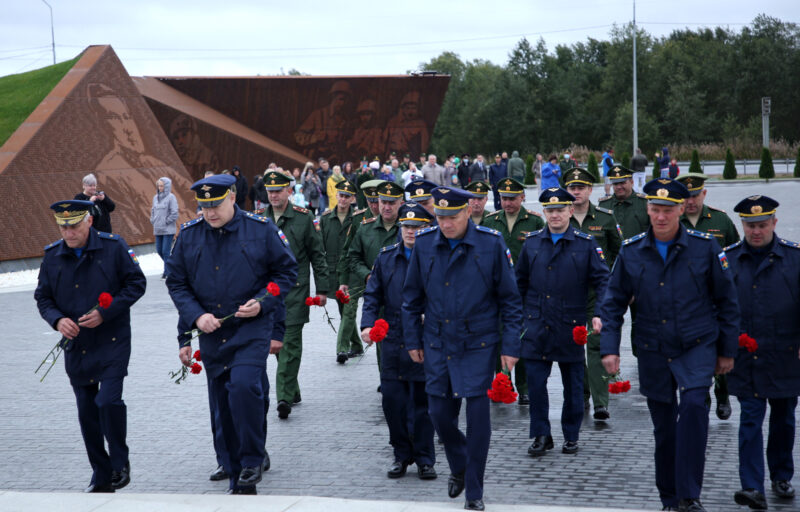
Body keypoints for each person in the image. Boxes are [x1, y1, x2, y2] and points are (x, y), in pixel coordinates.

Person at [599, 178, 739, 512]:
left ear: (680, 209)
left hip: (696, 343)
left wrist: (727, 350)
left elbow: (728, 300)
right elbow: (612, 302)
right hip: (653, 347)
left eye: (667, 210)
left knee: (693, 408)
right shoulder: (632, 251)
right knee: (664, 430)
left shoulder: (705, 248)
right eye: (655, 210)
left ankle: (689, 495)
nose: (660, 217)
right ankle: (669, 498)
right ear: (647, 209)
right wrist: (610, 347)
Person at [166, 174, 297, 494]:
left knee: (244, 387)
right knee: (222, 399)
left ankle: (251, 459)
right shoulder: (190, 235)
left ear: (233, 199)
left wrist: (263, 303)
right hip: (213, 332)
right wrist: (196, 319)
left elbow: (286, 272)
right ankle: (230, 462)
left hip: (251, 329)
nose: (210, 213)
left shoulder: (260, 229)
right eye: (204, 206)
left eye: (216, 205)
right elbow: (177, 283)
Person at [402, 186, 523, 511]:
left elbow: (510, 300)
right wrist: (412, 339)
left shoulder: (490, 243)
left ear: (468, 211)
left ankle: (474, 490)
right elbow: (411, 298)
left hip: (478, 342)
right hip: (438, 340)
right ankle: (459, 463)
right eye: (440, 217)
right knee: (439, 413)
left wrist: (510, 345)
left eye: (452, 217)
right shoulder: (426, 244)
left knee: (478, 412)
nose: (445, 223)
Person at [35, 200, 146, 493]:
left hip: (112, 340)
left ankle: (120, 462)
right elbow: (43, 298)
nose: (68, 232)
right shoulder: (53, 256)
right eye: (63, 226)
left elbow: (136, 283)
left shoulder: (114, 247)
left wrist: (105, 312)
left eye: (73, 225)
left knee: (107, 401)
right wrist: (58, 321)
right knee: (87, 411)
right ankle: (101, 473)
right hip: (78, 344)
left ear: (89, 222)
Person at [516, 187, 609, 456]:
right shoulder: (532, 242)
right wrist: (519, 318)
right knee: (535, 384)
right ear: (544, 212)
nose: (555, 215)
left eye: (560, 210)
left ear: (571, 210)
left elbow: (603, 280)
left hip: (571, 325)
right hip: (537, 325)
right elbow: (518, 283)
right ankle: (541, 434)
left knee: (573, 385)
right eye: (550, 210)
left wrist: (599, 312)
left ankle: (571, 434)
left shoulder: (586, 243)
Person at [724, 195, 799, 510]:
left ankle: (781, 474)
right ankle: (752, 486)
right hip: (747, 357)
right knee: (751, 420)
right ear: (742, 225)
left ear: (774, 223)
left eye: (762, 225)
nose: (756, 231)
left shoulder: (794, 258)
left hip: (784, 353)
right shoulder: (726, 260)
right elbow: (718, 306)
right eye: (750, 225)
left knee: (783, 420)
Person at [361, 202, 437, 481]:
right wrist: (367, 324)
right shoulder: (386, 258)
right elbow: (372, 295)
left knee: (423, 403)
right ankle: (401, 455)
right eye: (407, 226)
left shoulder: (435, 256)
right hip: (393, 339)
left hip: (423, 338)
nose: (411, 232)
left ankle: (425, 458)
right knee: (392, 402)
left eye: (417, 227)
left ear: (427, 228)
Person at [260, 171, 329, 419]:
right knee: (279, 347)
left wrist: (321, 289)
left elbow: (317, 255)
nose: (274, 195)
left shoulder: (303, 218)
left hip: (295, 293)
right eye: (270, 191)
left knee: (288, 344)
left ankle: (284, 398)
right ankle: (293, 389)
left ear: (290, 191)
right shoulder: (259, 220)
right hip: (267, 296)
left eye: (279, 190)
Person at [676, 173, 741, 420]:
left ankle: (722, 394)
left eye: (695, 196)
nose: (691, 202)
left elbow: (736, 254)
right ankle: (699, 397)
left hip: (716, 297)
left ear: (704, 194)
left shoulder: (721, 221)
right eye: (687, 197)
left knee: (719, 345)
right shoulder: (674, 222)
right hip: (686, 300)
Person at [564, 168, 621, 421]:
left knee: (596, 344)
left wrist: (617, 286)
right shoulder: (558, 218)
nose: (576, 191)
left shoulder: (606, 218)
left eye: (581, 187)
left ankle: (601, 401)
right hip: (569, 292)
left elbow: (622, 254)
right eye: (572, 187)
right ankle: (584, 391)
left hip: (598, 292)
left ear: (590, 190)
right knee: (574, 344)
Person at [482, 177, 545, 404]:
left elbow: (542, 254)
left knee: (522, 337)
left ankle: (524, 387)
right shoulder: (490, 221)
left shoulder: (535, 222)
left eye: (512, 198)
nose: (507, 203)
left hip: (524, 290)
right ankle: (500, 383)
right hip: (495, 291)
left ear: (523, 197)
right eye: (504, 198)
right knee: (496, 337)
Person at [346, 181, 404, 380]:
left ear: (400, 203)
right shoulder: (365, 228)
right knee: (381, 337)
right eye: (383, 202)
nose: (386, 207)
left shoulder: (409, 228)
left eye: (392, 202)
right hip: (377, 294)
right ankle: (386, 377)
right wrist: (367, 275)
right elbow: (353, 257)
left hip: (403, 293)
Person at [334, 179, 383, 364]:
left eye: (376, 200)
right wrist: (343, 280)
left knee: (380, 319)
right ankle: (341, 349)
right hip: (357, 275)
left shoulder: (394, 218)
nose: (374, 205)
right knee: (348, 312)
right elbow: (348, 251)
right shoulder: (358, 219)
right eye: (370, 201)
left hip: (381, 278)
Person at [319, 180, 361, 363]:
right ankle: (357, 344)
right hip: (333, 270)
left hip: (352, 270)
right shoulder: (326, 218)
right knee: (343, 308)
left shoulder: (359, 218)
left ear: (352, 198)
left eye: (347, 196)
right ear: (336, 196)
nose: (343, 199)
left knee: (349, 308)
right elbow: (320, 246)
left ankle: (342, 348)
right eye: (340, 195)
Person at [598, 166, 650, 239]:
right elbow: (599, 235)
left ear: (632, 182)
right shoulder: (604, 205)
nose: (619, 187)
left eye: (622, 183)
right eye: (615, 184)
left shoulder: (644, 203)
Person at [150, 177, 179, 279]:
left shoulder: (171, 197)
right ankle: (172, 266)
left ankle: (167, 272)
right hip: (157, 229)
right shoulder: (155, 197)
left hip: (167, 229)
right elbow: (153, 210)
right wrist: (153, 220)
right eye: (158, 185)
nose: (159, 187)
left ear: (166, 186)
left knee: (165, 251)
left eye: (162, 185)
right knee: (159, 250)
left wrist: (165, 221)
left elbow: (174, 213)